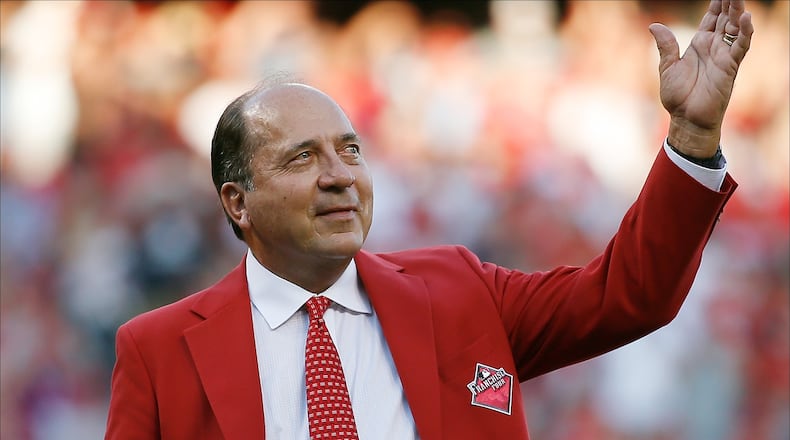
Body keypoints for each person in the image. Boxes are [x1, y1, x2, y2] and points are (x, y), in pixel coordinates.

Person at [105, 1, 753, 438]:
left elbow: (629, 295)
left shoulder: (460, 290)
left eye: (350, 151)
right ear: (237, 201)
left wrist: (692, 137)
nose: (339, 175)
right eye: (302, 157)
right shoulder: (157, 351)